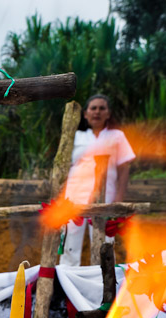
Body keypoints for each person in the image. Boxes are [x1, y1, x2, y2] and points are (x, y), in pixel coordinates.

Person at [59, 94, 135, 266]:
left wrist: (119, 199)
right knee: (69, 243)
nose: (97, 112)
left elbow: (124, 168)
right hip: (74, 197)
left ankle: (102, 285)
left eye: (102, 108)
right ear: (85, 114)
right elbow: (63, 168)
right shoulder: (76, 137)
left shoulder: (117, 136)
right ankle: (67, 284)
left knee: (104, 243)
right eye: (93, 108)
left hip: (106, 197)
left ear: (108, 113)